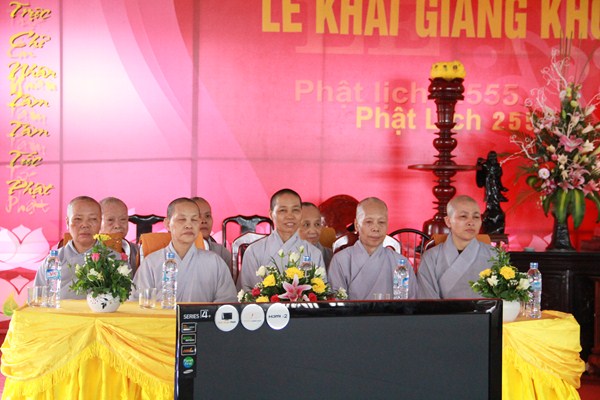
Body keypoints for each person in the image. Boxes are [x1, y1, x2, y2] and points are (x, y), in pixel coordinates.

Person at [133, 197, 236, 302]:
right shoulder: (151, 263)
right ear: (168, 224)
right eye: (182, 219)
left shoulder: (215, 262)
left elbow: (227, 302)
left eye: (194, 220)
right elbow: (137, 303)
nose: (189, 225)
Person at [328, 197, 417, 300]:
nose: (376, 228)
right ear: (357, 225)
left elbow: (412, 303)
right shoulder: (340, 261)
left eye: (381, 222)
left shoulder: (401, 263)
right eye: (369, 222)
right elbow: (336, 303)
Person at [238, 189, 325, 291]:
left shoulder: (313, 253)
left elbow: (321, 292)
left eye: (295, 210)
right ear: (271, 214)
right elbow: (248, 292)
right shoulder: (254, 252)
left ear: (301, 213)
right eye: (283, 210)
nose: (290, 216)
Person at [418, 195, 495, 299]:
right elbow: (427, 300)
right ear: (448, 221)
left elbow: (504, 299)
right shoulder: (431, 257)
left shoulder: (494, 255)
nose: (471, 222)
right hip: (441, 310)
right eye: (463, 216)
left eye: (476, 217)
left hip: (486, 310)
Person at [34, 196, 107, 299]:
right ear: (68, 222)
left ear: (100, 223)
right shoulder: (52, 261)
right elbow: (38, 300)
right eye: (78, 219)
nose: (85, 225)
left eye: (93, 219)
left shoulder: (114, 260)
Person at [100, 197, 139, 274]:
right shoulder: (87, 252)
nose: (117, 225)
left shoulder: (138, 252)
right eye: (110, 220)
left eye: (123, 219)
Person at [191, 197, 232, 267]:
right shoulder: (178, 252)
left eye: (207, 216)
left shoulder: (222, 252)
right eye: (198, 216)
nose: (204, 221)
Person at [298, 202, 333, 268]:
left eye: (317, 224)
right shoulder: (282, 257)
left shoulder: (332, 258)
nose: (313, 231)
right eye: (306, 225)